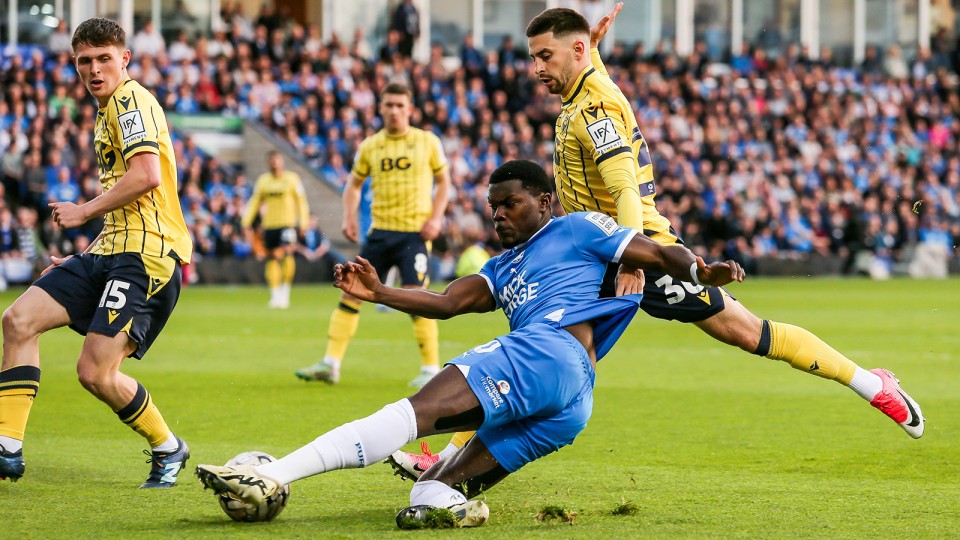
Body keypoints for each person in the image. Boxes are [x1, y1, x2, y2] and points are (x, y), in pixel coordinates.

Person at [388, 3, 924, 479]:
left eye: (545, 57)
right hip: (587, 251)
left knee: (743, 331)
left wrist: (628, 256)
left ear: (573, 51)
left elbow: (623, 185)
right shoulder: (584, 79)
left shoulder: (594, 106)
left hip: (632, 249)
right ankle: (451, 460)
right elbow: (586, 68)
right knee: (540, 355)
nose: (536, 69)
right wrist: (591, 47)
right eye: (534, 57)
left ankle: (872, 385)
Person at [195, 159, 744, 528]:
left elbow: (654, 252)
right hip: (570, 403)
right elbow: (446, 303)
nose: (499, 213)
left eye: (511, 203)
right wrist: (379, 290)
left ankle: (271, 476)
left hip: (547, 351)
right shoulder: (502, 266)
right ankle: (459, 508)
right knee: (428, 494)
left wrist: (698, 268)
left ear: (545, 202)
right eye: (493, 207)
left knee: (410, 413)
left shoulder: (577, 229)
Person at [0, 18, 192, 487]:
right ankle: (6, 445)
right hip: (111, 250)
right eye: (85, 61)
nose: (94, 69)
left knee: (96, 372)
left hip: (146, 258)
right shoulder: (107, 109)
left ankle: (169, 447)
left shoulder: (130, 101)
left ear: (124, 58)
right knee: (18, 321)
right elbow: (133, 199)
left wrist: (83, 211)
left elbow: (147, 175)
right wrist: (89, 253)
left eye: (104, 58)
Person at [295, 83, 451, 388]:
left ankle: (431, 369)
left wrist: (436, 217)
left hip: (413, 232)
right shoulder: (370, 146)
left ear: (409, 109)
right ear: (380, 109)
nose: (393, 110)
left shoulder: (427, 142)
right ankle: (331, 364)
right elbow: (353, 185)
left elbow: (444, 182)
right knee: (351, 290)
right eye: (388, 105)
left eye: (399, 105)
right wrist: (349, 217)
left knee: (416, 296)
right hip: (379, 232)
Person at [241, 151, 309, 309]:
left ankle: (285, 292)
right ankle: (275, 294)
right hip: (269, 225)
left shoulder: (292, 179)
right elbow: (254, 201)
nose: (274, 163)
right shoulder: (263, 181)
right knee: (271, 258)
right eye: (271, 160)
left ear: (282, 161)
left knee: (286, 254)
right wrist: (246, 222)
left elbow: (301, 201)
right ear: (268, 162)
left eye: (276, 160)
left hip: (287, 224)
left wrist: (303, 222)